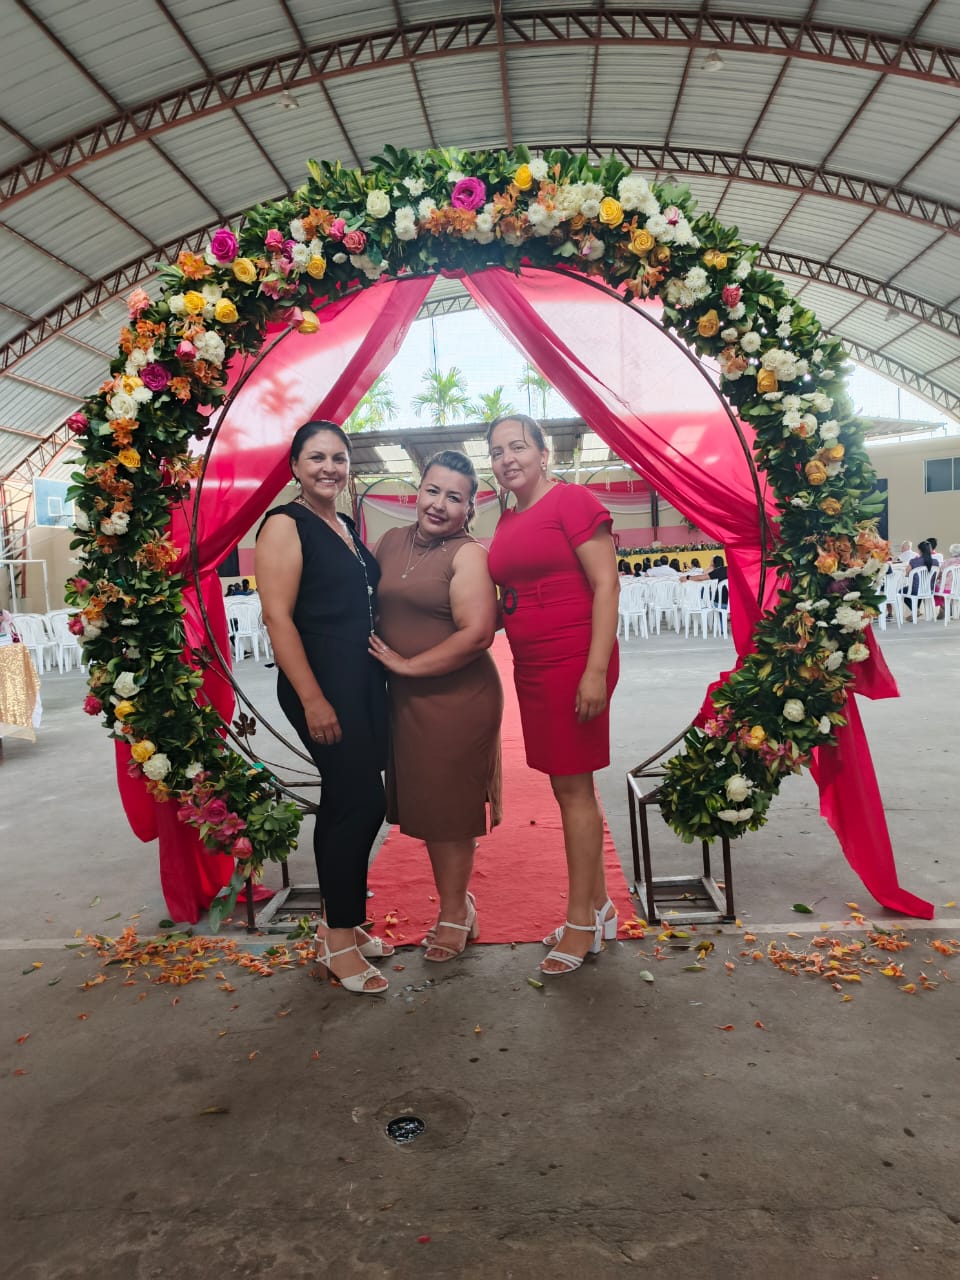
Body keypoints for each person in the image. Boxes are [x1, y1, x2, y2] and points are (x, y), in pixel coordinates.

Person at [256, 421, 390, 996]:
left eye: (339, 457)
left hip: (359, 681)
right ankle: (338, 940)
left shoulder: (344, 525)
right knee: (362, 803)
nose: (329, 468)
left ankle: (342, 924)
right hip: (321, 683)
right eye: (316, 457)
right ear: (295, 466)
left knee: (341, 803)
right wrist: (313, 699)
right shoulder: (286, 524)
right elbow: (277, 617)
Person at [486, 414, 620, 977]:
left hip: (575, 660)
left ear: (544, 454)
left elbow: (606, 584)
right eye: (497, 451)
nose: (507, 458)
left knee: (573, 790)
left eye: (517, 446)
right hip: (532, 664)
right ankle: (601, 907)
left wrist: (595, 671)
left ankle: (581, 922)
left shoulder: (572, 501)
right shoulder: (506, 517)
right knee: (567, 786)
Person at [369, 451, 503, 962]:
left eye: (454, 497)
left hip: (457, 698)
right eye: (433, 491)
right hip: (405, 700)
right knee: (428, 808)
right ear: (417, 489)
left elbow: (477, 634)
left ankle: (453, 913)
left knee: (450, 812)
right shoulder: (388, 541)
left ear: (469, 508)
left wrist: (407, 666)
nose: (439, 504)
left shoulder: (469, 554)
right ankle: (460, 904)